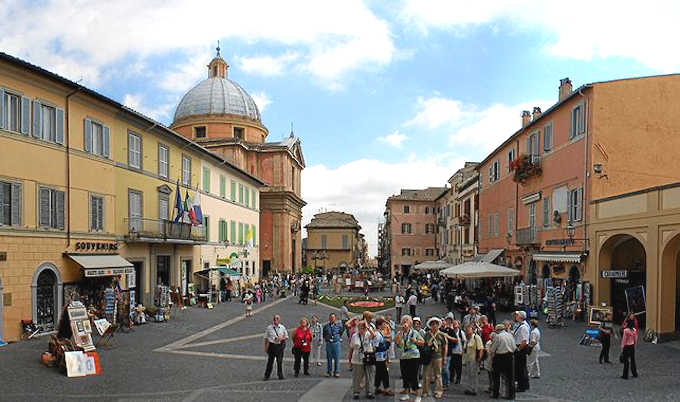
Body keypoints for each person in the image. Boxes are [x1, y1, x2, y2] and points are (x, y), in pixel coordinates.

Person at [349, 319, 380, 400]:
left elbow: (374, 335)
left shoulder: (368, 334)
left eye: (362, 328)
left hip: (368, 357)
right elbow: (351, 348)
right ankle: (356, 392)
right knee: (357, 376)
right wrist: (350, 360)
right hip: (357, 359)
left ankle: (369, 392)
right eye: (359, 327)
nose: (361, 329)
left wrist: (368, 327)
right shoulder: (354, 335)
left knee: (369, 375)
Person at [396, 315, 424, 402]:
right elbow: (397, 342)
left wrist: (415, 341)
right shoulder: (400, 333)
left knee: (414, 376)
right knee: (405, 376)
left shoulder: (414, 332)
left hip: (414, 357)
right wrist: (401, 332)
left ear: (410, 323)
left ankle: (418, 395)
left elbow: (422, 342)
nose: (405, 323)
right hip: (404, 357)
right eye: (403, 321)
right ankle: (406, 394)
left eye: (407, 321)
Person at [423, 317, 447, 399]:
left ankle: (438, 391)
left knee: (438, 375)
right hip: (428, 357)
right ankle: (425, 391)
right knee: (426, 375)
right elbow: (424, 345)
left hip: (438, 356)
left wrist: (444, 357)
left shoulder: (441, 335)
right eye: (432, 324)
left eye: (436, 324)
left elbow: (444, 346)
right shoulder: (427, 334)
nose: (434, 326)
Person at [489, 324, 516, 399]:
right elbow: (514, 347)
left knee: (496, 377)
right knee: (510, 377)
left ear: (498, 330)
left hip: (500, 357)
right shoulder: (510, 335)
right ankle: (511, 395)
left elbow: (492, 349)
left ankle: (496, 394)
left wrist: (492, 356)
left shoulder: (498, 336)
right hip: (509, 357)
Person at [263, 314, 289, 381]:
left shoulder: (282, 327)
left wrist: (281, 338)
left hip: (280, 346)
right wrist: (266, 347)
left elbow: (286, 336)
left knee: (279, 361)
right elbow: (266, 338)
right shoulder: (269, 328)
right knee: (270, 362)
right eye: (275, 319)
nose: (276, 320)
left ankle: (280, 375)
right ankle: (267, 375)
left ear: (279, 320)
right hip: (272, 346)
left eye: (277, 319)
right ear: (273, 320)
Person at [374, 317, 394, 396]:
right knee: (384, 373)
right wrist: (387, 345)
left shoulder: (378, 333)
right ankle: (387, 388)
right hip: (379, 357)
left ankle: (377, 387)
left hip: (381, 356)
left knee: (379, 373)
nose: (384, 325)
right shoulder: (377, 334)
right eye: (383, 324)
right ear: (379, 325)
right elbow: (376, 347)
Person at [462, 323, 484, 396]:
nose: (467, 331)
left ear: (472, 330)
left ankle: (474, 389)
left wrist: (479, 359)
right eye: (466, 330)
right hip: (468, 359)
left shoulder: (476, 337)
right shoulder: (467, 338)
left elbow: (481, 348)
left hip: (474, 359)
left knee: (474, 375)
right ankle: (470, 388)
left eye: (468, 330)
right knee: (469, 374)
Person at [513, 311, 531, 392]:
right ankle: (524, 384)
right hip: (520, 347)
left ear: (520, 317)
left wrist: (518, 349)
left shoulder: (523, 327)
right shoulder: (522, 325)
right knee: (521, 367)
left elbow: (524, 341)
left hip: (520, 348)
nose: (515, 316)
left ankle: (521, 386)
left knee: (520, 368)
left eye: (517, 315)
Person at [323, 313, 344, 377]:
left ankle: (336, 371)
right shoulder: (326, 326)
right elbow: (324, 334)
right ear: (329, 318)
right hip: (329, 343)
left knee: (337, 358)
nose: (332, 319)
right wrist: (327, 339)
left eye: (333, 317)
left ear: (335, 318)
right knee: (329, 358)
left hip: (336, 343)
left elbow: (341, 332)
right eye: (331, 317)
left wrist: (337, 338)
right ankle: (329, 371)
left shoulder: (339, 326)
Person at [445, 319, 465, 385]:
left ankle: (458, 379)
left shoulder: (461, 333)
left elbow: (464, 341)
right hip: (452, 351)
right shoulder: (451, 331)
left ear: (458, 325)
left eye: (456, 324)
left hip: (459, 352)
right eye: (453, 324)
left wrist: (463, 350)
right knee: (452, 366)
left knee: (458, 366)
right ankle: (451, 378)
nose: (454, 325)